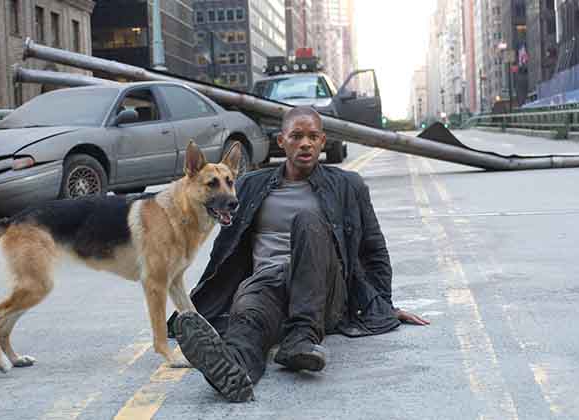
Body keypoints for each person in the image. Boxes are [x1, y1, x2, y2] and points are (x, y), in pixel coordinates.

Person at [169, 106, 429, 402]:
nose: (305, 143)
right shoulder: (249, 185)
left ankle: (301, 337)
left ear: (322, 141)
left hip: (322, 293)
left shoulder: (347, 185)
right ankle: (234, 369)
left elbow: (374, 249)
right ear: (282, 141)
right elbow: (224, 252)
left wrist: (382, 304)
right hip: (268, 285)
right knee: (248, 319)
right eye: (296, 136)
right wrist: (206, 300)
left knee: (307, 221)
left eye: (313, 137)